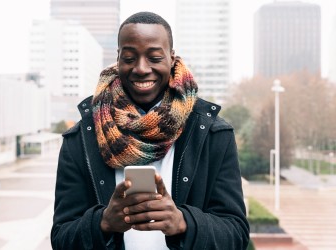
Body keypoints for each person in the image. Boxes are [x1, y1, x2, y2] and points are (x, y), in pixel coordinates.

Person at [51, 11, 250, 249]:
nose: (141, 68)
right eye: (129, 57)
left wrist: (183, 223)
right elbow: (62, 238)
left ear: (172, 58)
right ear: (118, 58)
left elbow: (236, 234)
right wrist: (103, 222)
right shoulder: (83, 138)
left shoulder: (213, 134)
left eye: (155, 57)